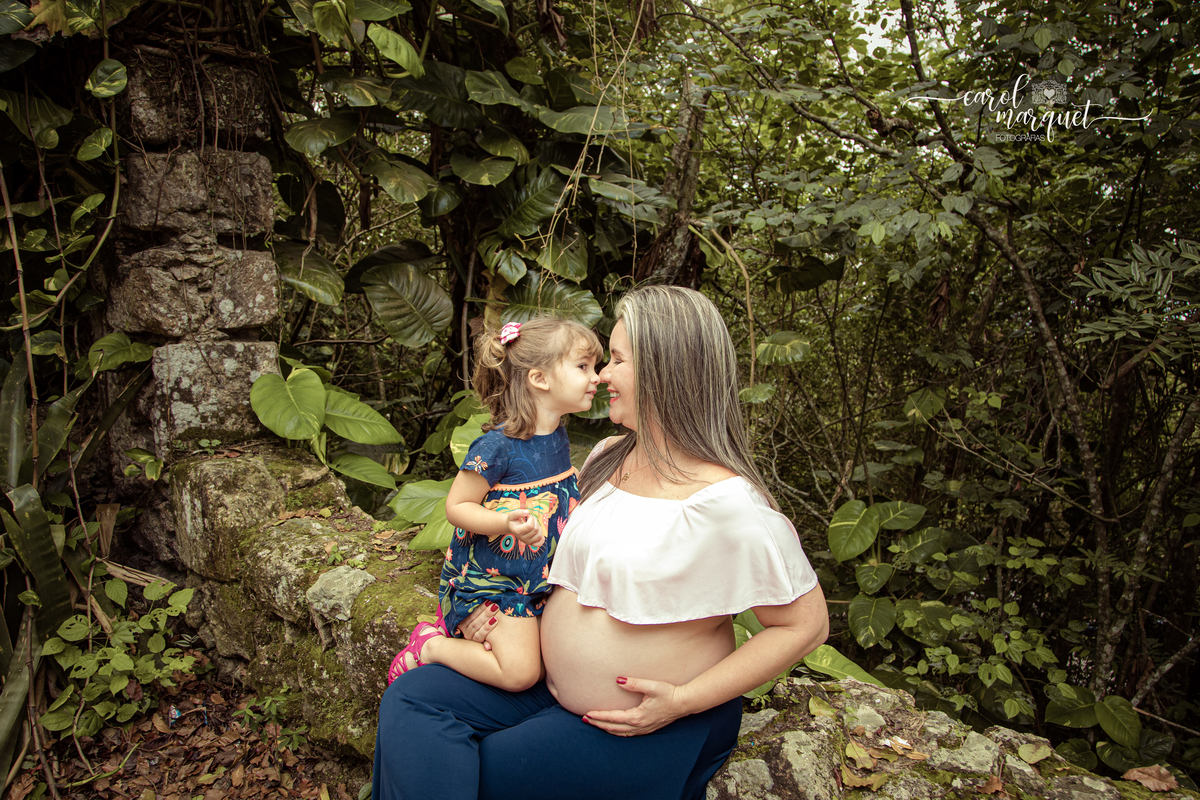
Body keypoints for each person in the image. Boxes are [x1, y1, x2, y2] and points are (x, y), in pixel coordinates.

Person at [373, 286, 829, 800]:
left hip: (645, 720)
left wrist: (683, 698)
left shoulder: (728, 504)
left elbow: (804, 624)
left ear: (666, 370)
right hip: (541, 683)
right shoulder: (605, 458)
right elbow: (548, 563)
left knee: (493, 773)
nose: (602, 375)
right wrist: (495, 610)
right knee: (412, 701)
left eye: (615, 359)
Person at [386, 317, 602, 691]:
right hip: (494, 584)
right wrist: (504, 524)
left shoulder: (559, 435)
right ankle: (431, 647)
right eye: (583, 367)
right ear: (540, 379)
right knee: (520, 674)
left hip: (537, 579)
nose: (597, 376)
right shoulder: (497, 446)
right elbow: (457, 507)